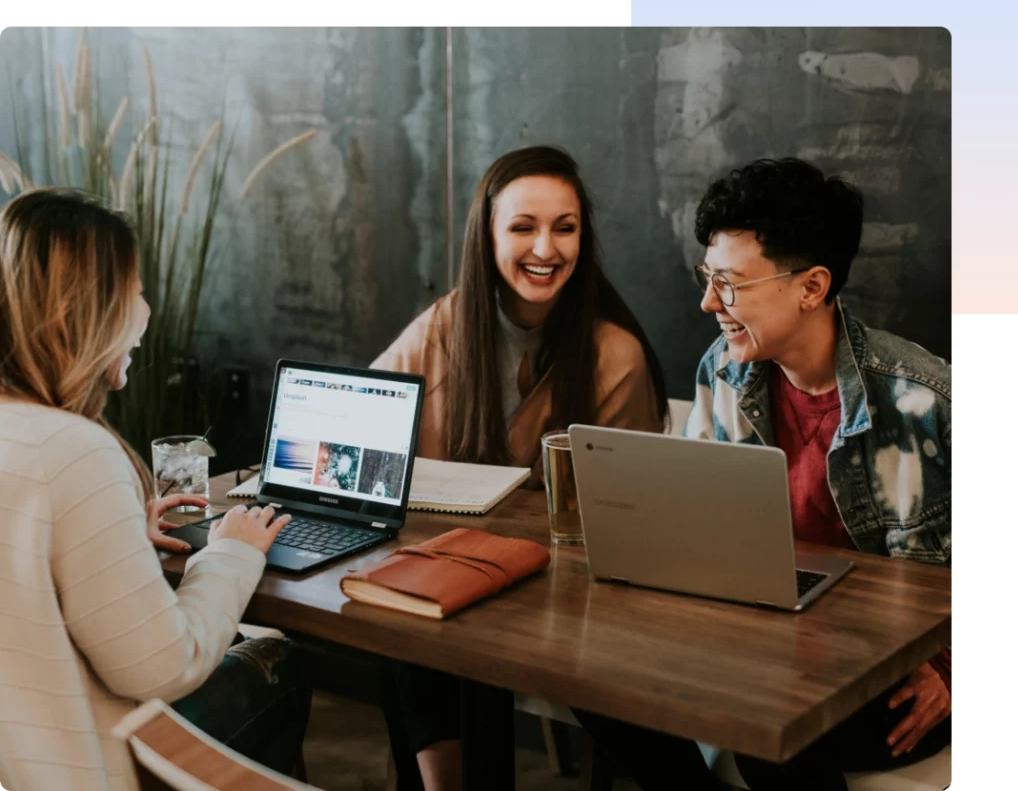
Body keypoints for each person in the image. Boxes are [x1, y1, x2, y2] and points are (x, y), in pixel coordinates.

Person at [575, 157, 951, 791]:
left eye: (729, 283)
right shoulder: (723, 371)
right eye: (707, 277)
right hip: (762, 642)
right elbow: (694, 527)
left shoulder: (924, 399)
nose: (707, 302)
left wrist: (953, 666)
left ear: (811, 287)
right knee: (590, 679)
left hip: (891, 671)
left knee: (763, 717)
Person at [372, 145, 669, 790]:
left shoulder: (612, 354)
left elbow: (626, 515)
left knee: (440, 627)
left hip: (564, 594)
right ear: (488, 235)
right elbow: (370, 413)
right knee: (403, 612)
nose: (546, 248)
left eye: (565, 228)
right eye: (523, 227)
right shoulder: (449, 323)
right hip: (452, 574)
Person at [0, 189, 311, 791]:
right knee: (279, 663)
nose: (146, 310)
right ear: (76, 312)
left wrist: (113, 533)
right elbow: (162, 667)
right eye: (134, 291)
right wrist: (231, 553)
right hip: (77, 768)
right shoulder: (73, 451)